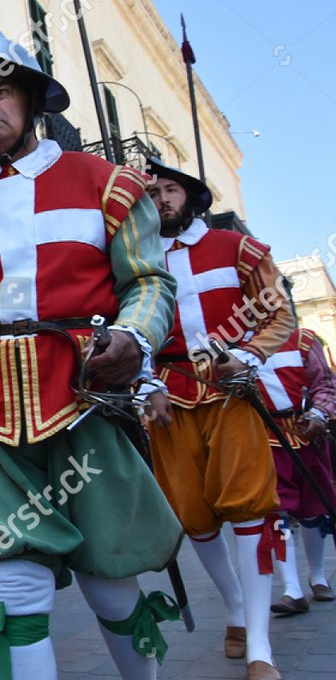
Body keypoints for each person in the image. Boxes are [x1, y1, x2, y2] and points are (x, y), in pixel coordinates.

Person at [0, 18, 183, 680]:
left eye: (1, 90)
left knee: (111, 581)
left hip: (85, 405)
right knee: (15, 591)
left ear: (30, 102)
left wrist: (134, 337)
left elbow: (148, 282)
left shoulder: (108, 185)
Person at [144, 157, 295, 680]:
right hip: (167, 399)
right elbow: (130, 327)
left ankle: (259, 646)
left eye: (170, 189)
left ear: (192, 197)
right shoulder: (139, 261)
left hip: (231, 394)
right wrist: (145, 384)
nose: (161, 199)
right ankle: (234, 608)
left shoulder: (238, 249)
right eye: (153, 192)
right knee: (194, 517)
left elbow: (279, 314)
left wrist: (249, 356)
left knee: (249, 510)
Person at [253, 327, 336, 614]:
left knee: (314, 511)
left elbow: (325, 384)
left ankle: (318, 576)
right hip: (267, 440)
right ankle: (292, 588)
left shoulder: (303, 339)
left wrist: (319, 413)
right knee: (278, 512)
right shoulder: (239, 347)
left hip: (308, 435)